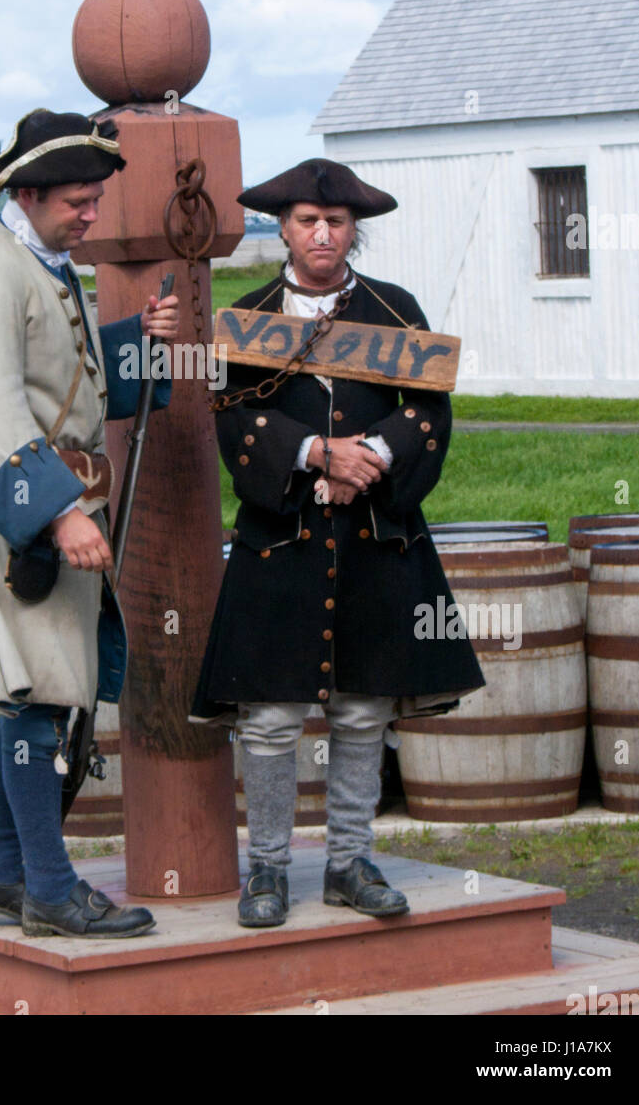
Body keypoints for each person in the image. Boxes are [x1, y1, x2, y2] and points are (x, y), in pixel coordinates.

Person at [190, 158, 484, 927]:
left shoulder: (395, 309)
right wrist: (315, 455)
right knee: (270, 717)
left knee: (361, 710)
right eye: (306, 222)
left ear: (355, 231)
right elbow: (233, 418)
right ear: (282, 229)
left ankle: (350, 862)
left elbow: (426, 412)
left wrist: (371, 458)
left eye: (337, 223)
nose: (322, 235)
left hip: (373, 533)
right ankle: (267, 872)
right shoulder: (246, 318)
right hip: (280, 534)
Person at [0, 108, 178, 938]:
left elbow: (58, 363)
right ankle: (49, 889)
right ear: (27, 193)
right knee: (34, 698)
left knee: (36, 693)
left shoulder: (36, 259)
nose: (91, 216)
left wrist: (135, 342)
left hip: (40, 504)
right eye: (77, 201)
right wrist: (64, 513)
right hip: (11, 513)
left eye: (95, 200)